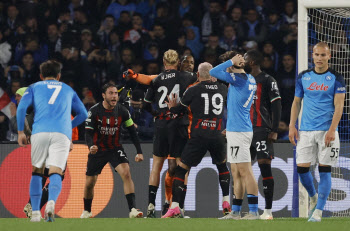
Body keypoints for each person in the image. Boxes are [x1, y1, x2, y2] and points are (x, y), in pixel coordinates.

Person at [124, 54, 196, 215]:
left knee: (157, 167)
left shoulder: (157, 79)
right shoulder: (186, 77)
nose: (189, 65)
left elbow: (147, 97)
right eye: (186, 62)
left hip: (162, 124)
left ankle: (151, 206)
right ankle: (178, 207)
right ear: (178, 63)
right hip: (179, 125)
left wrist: (156, 113)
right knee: (181, 168)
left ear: (163, 62)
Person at [16, 60, 88, 222]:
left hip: (40, 132)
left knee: (37, 172)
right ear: (59, 75)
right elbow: (83, 114)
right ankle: (51, 203)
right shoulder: (68, 89)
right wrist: (68, 127)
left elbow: (21, 108)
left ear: (41, 76)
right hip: (61, 134)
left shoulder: (34, 87)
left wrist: (21, 131)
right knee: (56, 172)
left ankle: (35, 212)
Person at [161, 62, 230, 218]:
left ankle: (176, 207)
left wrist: (172, 106)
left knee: (181, 169)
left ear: (198, 75)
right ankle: (226, 202)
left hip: (198, 136)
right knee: (222, 167)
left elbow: (180, 110)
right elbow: (232, 107)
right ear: (213, 74)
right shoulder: (223, 89)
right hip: (217, 135)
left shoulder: (193, 89)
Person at [289, 42, 345, 222]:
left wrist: (332, 130)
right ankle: (313, 197)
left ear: (329, 56)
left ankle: (319, 211)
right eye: (316, 55)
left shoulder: (336, 78)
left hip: (327, 131)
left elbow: (339, 106)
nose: (319, 58)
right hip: (305, 130)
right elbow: (296, 102)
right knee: (302, 169)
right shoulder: (303, 77)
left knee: (324, 169)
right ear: (312, 55)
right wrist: (292, 125)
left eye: (323, 55)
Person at [222, 50, 281, 220]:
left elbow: (276, 106)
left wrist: (275, 129)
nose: (243, 60)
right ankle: (237, 210)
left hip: (262, 130)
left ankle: (267, 210)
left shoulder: (268, 80)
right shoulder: (240, 80)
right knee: (238, 170)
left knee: (263, 166)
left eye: (245, 59)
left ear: (253, 62)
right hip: (243, 129)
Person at [81, 83, 144, 219]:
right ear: (104, 95)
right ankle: (87, 211)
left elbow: (133, 132)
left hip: (115, 148)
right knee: (90, 183)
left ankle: (132, 209)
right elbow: (88, 133)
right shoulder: (94, 111)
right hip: (97, 150)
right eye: (111, 93)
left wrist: (139, 152)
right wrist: (91, 146)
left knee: (126, 173)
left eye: (116, 93)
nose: (114, 96)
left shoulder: (122, 111)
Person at [210, 52, 260, 220]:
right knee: (236, 172)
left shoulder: (239, 80)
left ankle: (253, 211)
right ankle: (236, 211)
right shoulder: (248, 78)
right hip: (235, 129)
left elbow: (213, 72)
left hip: (240, 131)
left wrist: (231, 61)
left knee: (245, 171)